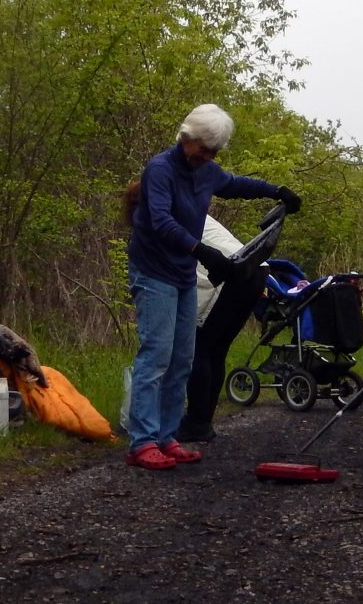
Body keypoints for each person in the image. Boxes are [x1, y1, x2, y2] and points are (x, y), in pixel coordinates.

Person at [124, 103, 301, 470]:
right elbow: (159, 221)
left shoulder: (206, 170)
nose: (208, 157)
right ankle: (142, 441)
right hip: (154, 272)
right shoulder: (161, 170)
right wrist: (202, 250)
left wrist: (277, 191)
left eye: (214, 152)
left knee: (183, 358)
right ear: (186, 138)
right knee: (156, 354)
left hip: (183, 274)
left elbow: (235, 185)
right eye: (203, 149)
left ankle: (167, 437)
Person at [175, 216, 268, 443]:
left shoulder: (167, 213)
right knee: (217, 350)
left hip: (228, 273)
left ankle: (197, 422)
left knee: (201, 348)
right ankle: (202, 420)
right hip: (255, 268)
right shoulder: (193, 206)